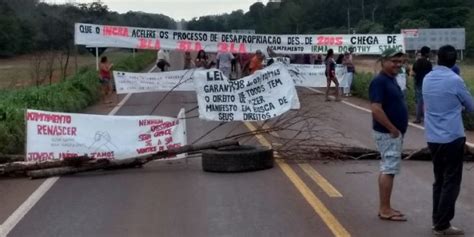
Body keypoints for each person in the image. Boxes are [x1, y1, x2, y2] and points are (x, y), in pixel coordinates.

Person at [423, 45, 473, 236]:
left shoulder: (428, 78)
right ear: (454, 61)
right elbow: (470, 106)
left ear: (437, 58)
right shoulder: (455, 80)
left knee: (439, 180)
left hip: (433, 137)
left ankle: (437, 219)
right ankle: (442, 225)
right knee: (451, 181)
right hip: (452, 136)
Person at [369, 48, 408, 222]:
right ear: (384, 61)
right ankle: (384, 209)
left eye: (400, 62)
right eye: (394, 61)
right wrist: (392, 129)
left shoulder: (391, 80)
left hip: (392, 133)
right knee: (389, 169)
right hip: (387, 133)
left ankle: (386, 206)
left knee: (388, 168)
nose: (398, 65)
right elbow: (376, 109)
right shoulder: (379, 81)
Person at [412, 46, 432, 124]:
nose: (430, 53)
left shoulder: (417, 62)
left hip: (418, 83)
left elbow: (413, 73)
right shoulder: (429, 63)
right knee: (427, 101)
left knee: (418, 101)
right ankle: (426, 118)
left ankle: (418, 118)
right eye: (429, 52)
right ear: (426, 53)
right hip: (428, 84)